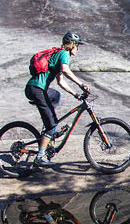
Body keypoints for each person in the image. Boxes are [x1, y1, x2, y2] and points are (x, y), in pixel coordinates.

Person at [25, 31, 90, 166]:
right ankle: (40, 157)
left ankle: (46, 129)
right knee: (52, 124)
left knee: (56, 96)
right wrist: (81, 84)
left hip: (36, 89)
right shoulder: (64, 53)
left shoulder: (58, 54)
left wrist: (76, 94)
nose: (78, 48)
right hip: (37, 89)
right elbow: (65, 70)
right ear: (72, 44)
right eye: (78, 45)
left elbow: (61, 81)